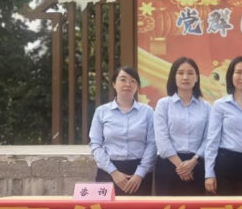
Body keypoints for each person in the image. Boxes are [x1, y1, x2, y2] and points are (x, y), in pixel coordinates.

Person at [89, 66, 155, 195]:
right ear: (114, 84)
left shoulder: (147, 112)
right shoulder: (101, 111)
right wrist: (114, 172)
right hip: (108, 171)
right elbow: (95, 144)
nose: (128, 84)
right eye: (123, 79)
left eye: (133, 81)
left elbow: (152, 143)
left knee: (138, 208)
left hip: (139, 173)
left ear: (137, 86)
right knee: (107, 208)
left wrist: (139, 174)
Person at [204, 56, 242, 196]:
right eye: (238, 72)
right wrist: (209, 173)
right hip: (226, 163)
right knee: (225, 208)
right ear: (231, 75)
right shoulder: (220, 105)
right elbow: (212, 141)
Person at [154, 57, 211, 196]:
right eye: (180, 73)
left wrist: (194, 161)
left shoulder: (206, 107)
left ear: (197, 78)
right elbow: (162, 139)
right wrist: (181, 166)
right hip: (168, 165)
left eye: (190, 73)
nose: (185, 77)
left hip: (196, 165)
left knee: (195, 208)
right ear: (173, 77)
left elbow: (208, 138)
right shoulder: (163, 104)